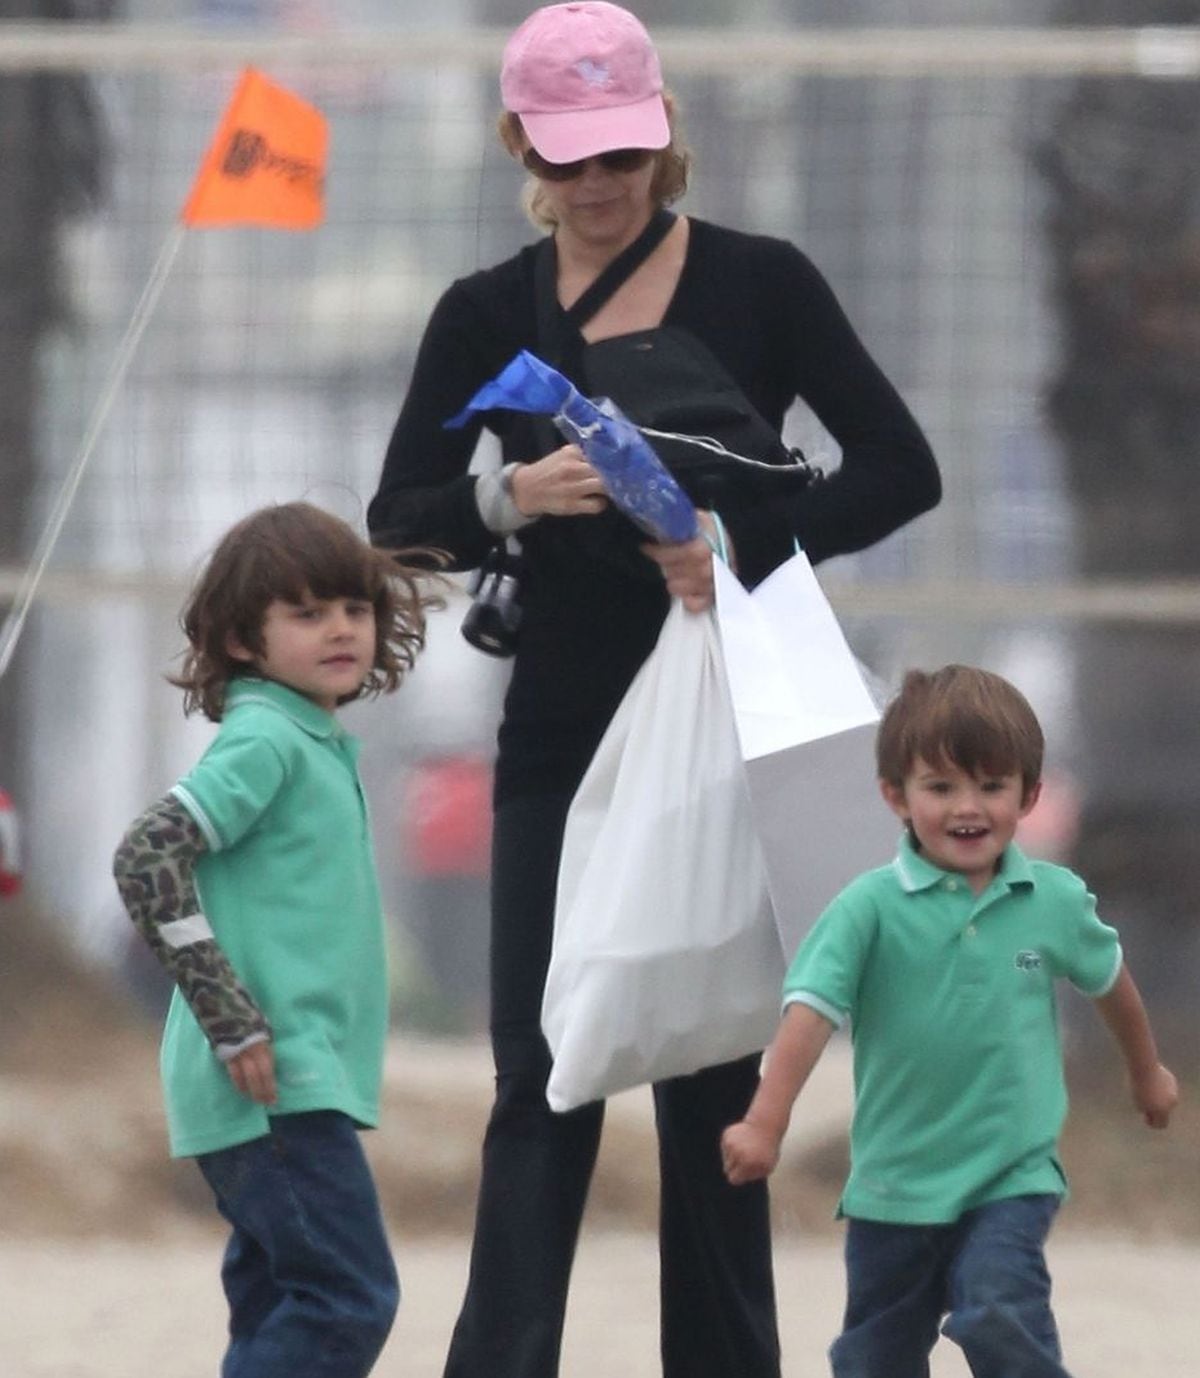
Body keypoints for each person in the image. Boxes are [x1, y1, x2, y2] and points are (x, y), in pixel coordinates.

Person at [368, 4, 940, 1375]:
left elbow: (899, 465)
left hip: (721, 732)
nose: (599, 179)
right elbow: (399, 520)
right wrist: (516, 492)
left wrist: (741, 540)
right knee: (538, 1078)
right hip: (559, 735)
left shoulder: (764, 282)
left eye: (621, 146)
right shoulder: (485, 313)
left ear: (664, 130)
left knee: (712, 1076)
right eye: (569, 155)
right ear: (522, 146)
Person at [721, 664, 1179, 1378]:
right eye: (941, 787)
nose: (968, 807)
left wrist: (1146, 1071)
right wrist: (765, 1122)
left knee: (1000, 1307)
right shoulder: (866, 909)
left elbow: (1110, 982)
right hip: (893, 1186)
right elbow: (808, 1014)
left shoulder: (1052, 902)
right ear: (895, 795)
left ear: (1029, 795)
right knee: (876, 1355)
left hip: (1009, 1176)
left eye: (991, 786)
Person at [112, 502, 442, 1378]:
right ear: (241, 642)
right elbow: (147, 857)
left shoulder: (312, 739)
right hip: (267, 1079)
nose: (341, 628)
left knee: (280, 1306)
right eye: (306, 612)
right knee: (349, 1300)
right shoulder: (267, 740)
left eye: (354, 608)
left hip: (288, 1082)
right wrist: (228, 1013)